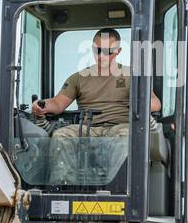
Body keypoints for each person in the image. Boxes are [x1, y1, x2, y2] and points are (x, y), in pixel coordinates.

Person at [31, 28, 160, 182]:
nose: (101, 56)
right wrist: (42, 105)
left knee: (124, 136)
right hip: (88, 129)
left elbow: (155, 103)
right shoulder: (78, 78)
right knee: (61, 135)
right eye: (97, 50)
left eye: (107, 51)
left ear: (118, 51)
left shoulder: (132, 76)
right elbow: (57, 104)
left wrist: (142, 102)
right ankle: (62, 189)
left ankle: (121, 188)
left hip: (121, 126)